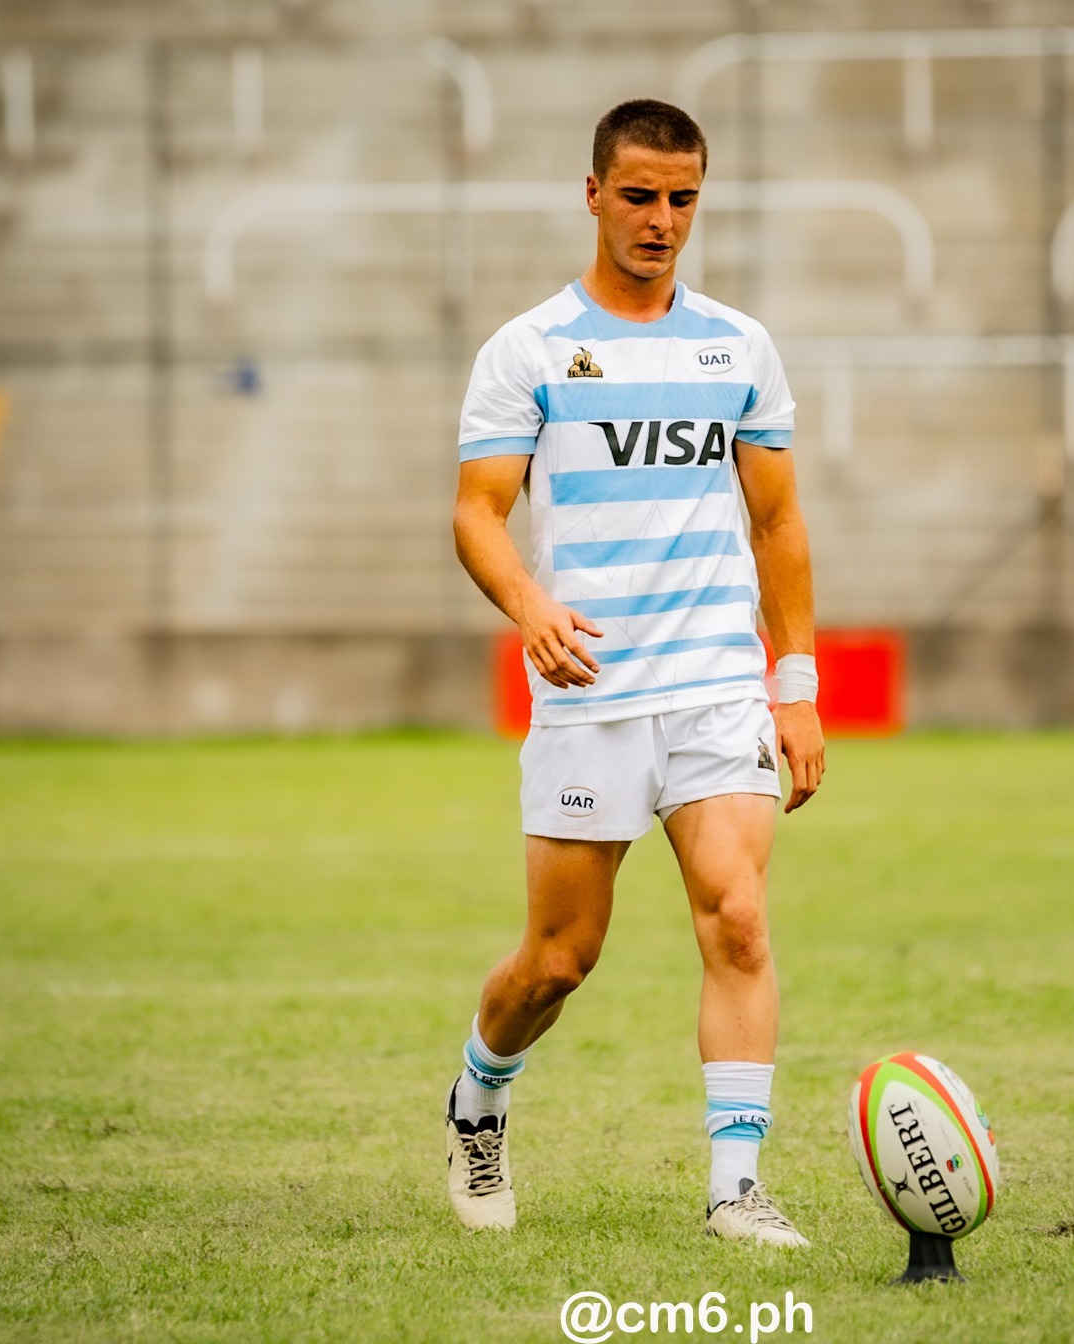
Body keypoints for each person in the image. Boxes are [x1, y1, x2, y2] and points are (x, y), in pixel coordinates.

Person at [445, 99, 823, 1246]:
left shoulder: (736, 345)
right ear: (594, 193)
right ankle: (478, 1100)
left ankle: (735, 1189)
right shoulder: (527, 350)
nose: (663, 220)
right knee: (559, 962)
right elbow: (476, 512)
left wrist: (795, 683)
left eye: (684, 199)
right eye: (644, 196)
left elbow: (777, 523)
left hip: (715, 683)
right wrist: (529, 605)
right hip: (590, 692)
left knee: (739, 920)